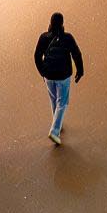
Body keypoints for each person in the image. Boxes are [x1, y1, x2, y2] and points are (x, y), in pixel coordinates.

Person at [33, 11, 85, 145]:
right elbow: (76, 54)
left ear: (50, 23)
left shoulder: (44, 37)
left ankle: (58, 123)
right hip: (63, 76)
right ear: (62, 24)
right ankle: (55, 131)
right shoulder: (68, 38)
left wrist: (42, 72)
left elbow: (37, 56)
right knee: (62, 103)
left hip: (49, 75)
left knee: (54, 100)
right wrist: (80, 70)